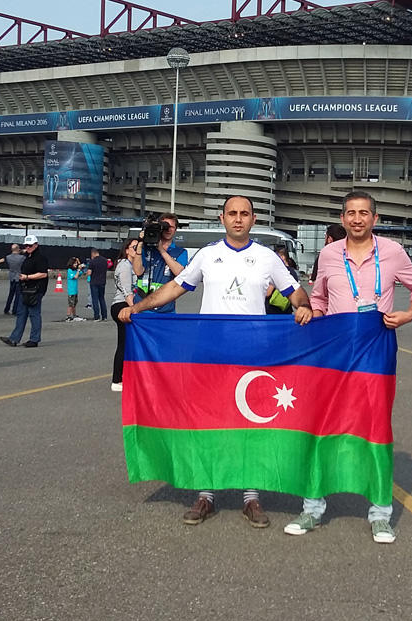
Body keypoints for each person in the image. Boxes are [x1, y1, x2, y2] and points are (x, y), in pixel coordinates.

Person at [119, 195, 312, 529]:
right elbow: (176, 288)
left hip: (254, 353)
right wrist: (138, 308)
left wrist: (303, 305)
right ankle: (206, 494)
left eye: (245, 214)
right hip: (210, 354)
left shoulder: (266, 257)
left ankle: (251, 497)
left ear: (253, 219)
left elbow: (294, 291)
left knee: (251, 424)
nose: (238, 219)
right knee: (207, 420)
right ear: (222, 218)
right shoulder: (207, 255)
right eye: (232, 213)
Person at [286, 190, 412, 544]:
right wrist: (313, 312)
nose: (357, 219)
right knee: (322, 423)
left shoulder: (393, 252)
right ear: (342, 218)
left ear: (375, 219)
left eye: (364, 213)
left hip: (375, 350)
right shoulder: (329, 254)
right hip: (334, 352)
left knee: (375, 425)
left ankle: (380, 513)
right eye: (350, 213)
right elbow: (318, 296)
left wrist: (409, 313)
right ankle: (312, 507)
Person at [130, 213, 186, 314]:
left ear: (176, 229)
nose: (168, 230)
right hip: (142, 307)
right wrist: (140, 245)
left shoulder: (180, 252)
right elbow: (138, 272)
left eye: (171, 227)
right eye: (165, 226)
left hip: (166, 309)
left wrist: (161, 250)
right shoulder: (146, 248)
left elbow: (180, 273)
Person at [0, 235, 49, 347]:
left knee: (34, 314)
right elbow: (20, 253)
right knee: (21, 313)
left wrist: (27, 277)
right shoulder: (27, 256)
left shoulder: (40, 258)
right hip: (25, 288)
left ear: (36, 245)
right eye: (26, 245)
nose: (28, 247)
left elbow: (43, 274)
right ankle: (14, 339)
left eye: (30, 245)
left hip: (36, 290)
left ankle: (34, 339)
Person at [109, 239, 139, 392]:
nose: (137, 249)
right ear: (127, 250)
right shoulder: (125, 266)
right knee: (124, 343)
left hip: (125, 305)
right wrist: (135, 309)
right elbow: (127, 292)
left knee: (128, 343)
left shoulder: (133, 265)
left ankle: (125, 376)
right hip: (122, 305)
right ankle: (117, 379)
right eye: (134, 247)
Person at [0, 244, 25, 316]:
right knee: (18, 295)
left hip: (12, 276)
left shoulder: (8, 257)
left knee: (11, 294)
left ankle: (7, 308)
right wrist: (22, 252)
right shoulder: (22, 257)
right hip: (18, 276)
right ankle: (15, 310)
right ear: (18, 249)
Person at [87, 248, 110, 321]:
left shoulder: (92, 262)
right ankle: (104, 316)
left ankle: (97, 316)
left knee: (95, 300)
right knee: (102, 298)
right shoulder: (104, 261)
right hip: (102, 282)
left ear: (93, 253)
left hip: (94, 282)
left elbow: (89, 273)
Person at [65, 257, 86, 322]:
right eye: (74, 263)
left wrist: (81, 266)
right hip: (71, 291)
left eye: (76, 263)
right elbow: (75, 277)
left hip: (75, 290)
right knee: (71, 304)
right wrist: (78, 270)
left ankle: (74, 315)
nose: (76, 264)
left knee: (74, 304)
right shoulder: (70, 270)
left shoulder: (75, 270)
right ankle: (68, 316)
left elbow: (82, 273)